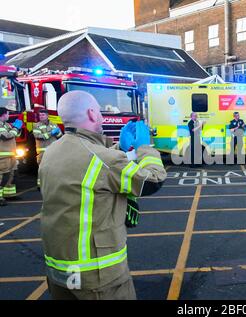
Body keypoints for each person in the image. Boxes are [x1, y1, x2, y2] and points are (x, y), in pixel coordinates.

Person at [39, 91, 167, 300]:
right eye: (99, 111)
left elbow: (96, 166)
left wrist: (121, 149)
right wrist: (145, 148)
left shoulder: (51, 152)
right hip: (97, 277)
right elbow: (153, 181)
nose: (100, 116)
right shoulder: (102, 158)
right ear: (91, 113)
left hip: (60, 270)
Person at [0, 107, 22, 205]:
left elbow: (15, 135)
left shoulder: (7, 124)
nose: (9, 116)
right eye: (8, 114)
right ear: (3, 114)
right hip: (2, 155)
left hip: (11, 154)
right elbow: (5, 136)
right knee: (1, 176)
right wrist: (15, 128)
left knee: (11, 175)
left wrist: (18, 128)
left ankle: (9, 195)